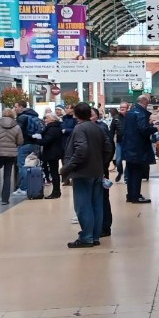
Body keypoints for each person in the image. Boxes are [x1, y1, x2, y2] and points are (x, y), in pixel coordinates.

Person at [62, 103, 112, 248]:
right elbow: (108, 147)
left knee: (83, 205)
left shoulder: (79, 128)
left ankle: (87, 237)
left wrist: (68, 167)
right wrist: (102, 163)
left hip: (83, 172)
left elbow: (81, 149)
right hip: (97, 171)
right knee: (97, 204)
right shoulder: (98, 127)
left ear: (76, 114)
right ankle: (95, 236)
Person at [121, 93, 157, 203]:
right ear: (145, 102)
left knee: (130, 172)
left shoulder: (130, 112)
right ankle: (136, 196)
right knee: (137, 172)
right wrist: (154, 128)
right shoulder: (140, 113)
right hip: (138, 147)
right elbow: (143, 129)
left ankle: (130, 195)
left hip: (129, 146)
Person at [91, 108, 113, 238]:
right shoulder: (95, 127)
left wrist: (104, 165)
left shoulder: (101, 128)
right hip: (98, 167)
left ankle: (105, 226)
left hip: (100, 168)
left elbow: (109, 148)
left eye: (92, 115)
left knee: (102, 198)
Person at [12, 100, 43, 194]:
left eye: (16, 106)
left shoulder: (22, 118)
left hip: (25, 144)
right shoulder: (34, 116)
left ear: (21, 107)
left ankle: (24, 188)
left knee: (23, 166)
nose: (15, 109)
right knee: (32, 164)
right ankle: (32, 186)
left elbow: (18, 132)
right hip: (35, 144)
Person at [40, 113, 65, 199]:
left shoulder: (52, 129)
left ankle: (56, 192)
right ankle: (56, 191)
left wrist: (37, 140)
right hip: (55, 152)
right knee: (54, 172)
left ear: (52, 119)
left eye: (47, 118)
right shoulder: (57, 127)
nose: (45, 120)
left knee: (54, 173)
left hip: (52, 153)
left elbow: (46, 141)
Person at [109, 102, 128, 180]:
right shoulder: (116, 118)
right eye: (121, 107)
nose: (122, 109)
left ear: (128, 108)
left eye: (124, 107)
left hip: (129, 142)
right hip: (119, 142)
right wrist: (110, 141)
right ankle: (120, 172)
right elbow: (112, 131)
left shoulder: (130, 117)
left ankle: (127, 176)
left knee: (129, 161)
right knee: (118, 160)